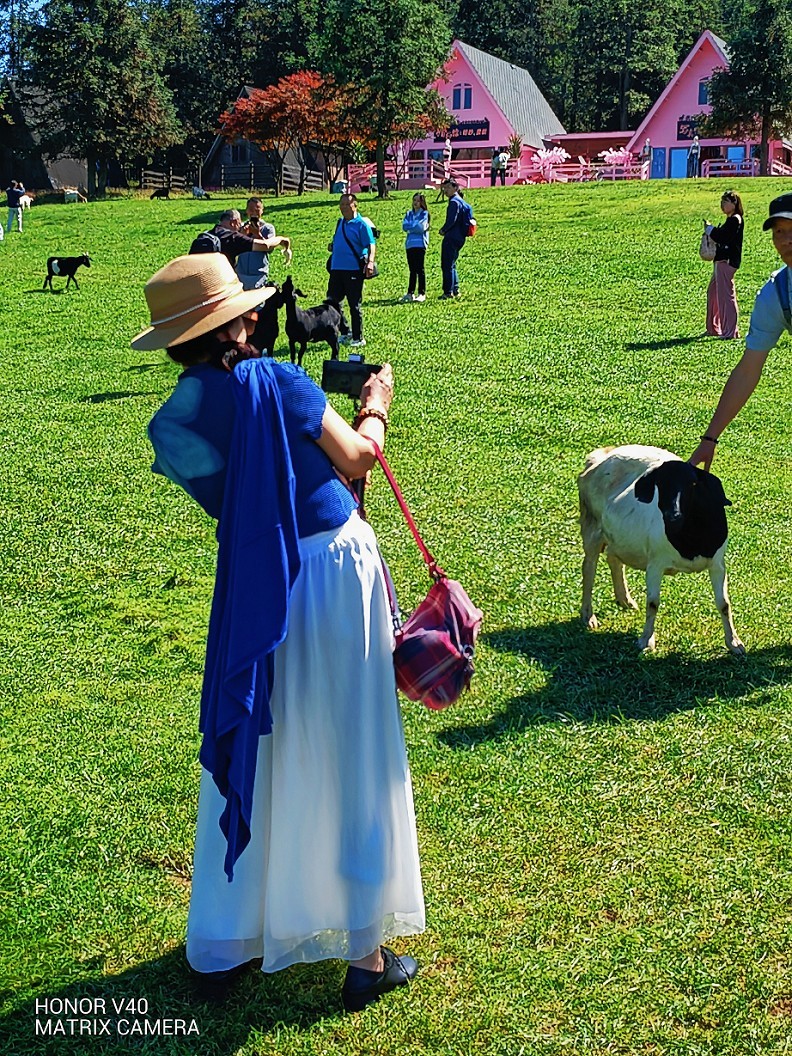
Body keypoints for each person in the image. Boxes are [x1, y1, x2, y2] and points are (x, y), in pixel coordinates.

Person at [132, 253, 424, 1012]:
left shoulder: (173, 424)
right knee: (346, 740)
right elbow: (358, 457)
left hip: (254, 585)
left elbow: (236, 500)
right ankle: (365, 954)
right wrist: (378, 401)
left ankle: (228, 935)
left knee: (262, 739)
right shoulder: (285, 383)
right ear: (240, 321)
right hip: (328, 571)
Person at [690, 193, 792, 471]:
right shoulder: (778, 294)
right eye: (779, 232)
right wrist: (710, 438)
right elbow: (748, 371)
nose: (786, 240)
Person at [327, 193, 376, 349]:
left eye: (347, 205)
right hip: (337, 268)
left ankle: (358, 337)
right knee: (333, 302)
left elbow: (371, 244)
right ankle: (345, 331)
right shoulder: (339, 223)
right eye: (341, 205)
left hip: (353, 269)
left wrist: (370, 262)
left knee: (354, 304)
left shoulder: (361, 224)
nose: (343, 208)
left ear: (355, 205)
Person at [705, 190, 744, 340]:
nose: (722, 205)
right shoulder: (731, 220)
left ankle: (730, 331)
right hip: (721, 262)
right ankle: (713, 328)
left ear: (734, 203)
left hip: (726, 262)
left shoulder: (735, 220)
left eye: (725, 201)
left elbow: (724, 237)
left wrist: (710, 230)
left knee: (726, 297)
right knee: (713, 293)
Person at [206, 209, 291, 271]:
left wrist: (242, 235)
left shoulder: (207, 235)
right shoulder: (233, 238)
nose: (239, 228)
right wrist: (281, 239)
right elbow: (265, 246)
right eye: (239, 224)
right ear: (233, 223)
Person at [236, 198, 282, 290]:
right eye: (251, 210)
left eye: (257, 210)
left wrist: (257, 234)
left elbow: (269, 248)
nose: (254, 213)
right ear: (247, 211)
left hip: (258, 274)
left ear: (262, 211)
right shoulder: (241, 227)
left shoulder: (268, 228)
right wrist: (242, 235)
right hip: (240, 273)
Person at [438, 179, 470, 299]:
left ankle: (448, 292)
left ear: (455, 188)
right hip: (460, 236)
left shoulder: (454, 202)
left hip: (452, 236)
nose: (445, 191)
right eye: (444, 188)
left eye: (448, 188)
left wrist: (443, 230)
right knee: (452, 264)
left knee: (447, 265)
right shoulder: (462, 202)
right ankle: (455, 289)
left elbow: (452, 220)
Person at [400, 193, 430, 303]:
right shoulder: (409, 213)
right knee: (412, 270)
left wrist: (412, 227)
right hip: (410, 244)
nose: (415, 203)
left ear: (422, 202)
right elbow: (404, 226)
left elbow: (421, 227)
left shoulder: (424, 214)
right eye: (414, 200)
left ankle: (422, 293)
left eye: (418, 200)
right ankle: (410, 293)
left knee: (420, 269)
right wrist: (414, 226)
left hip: (420, 244)